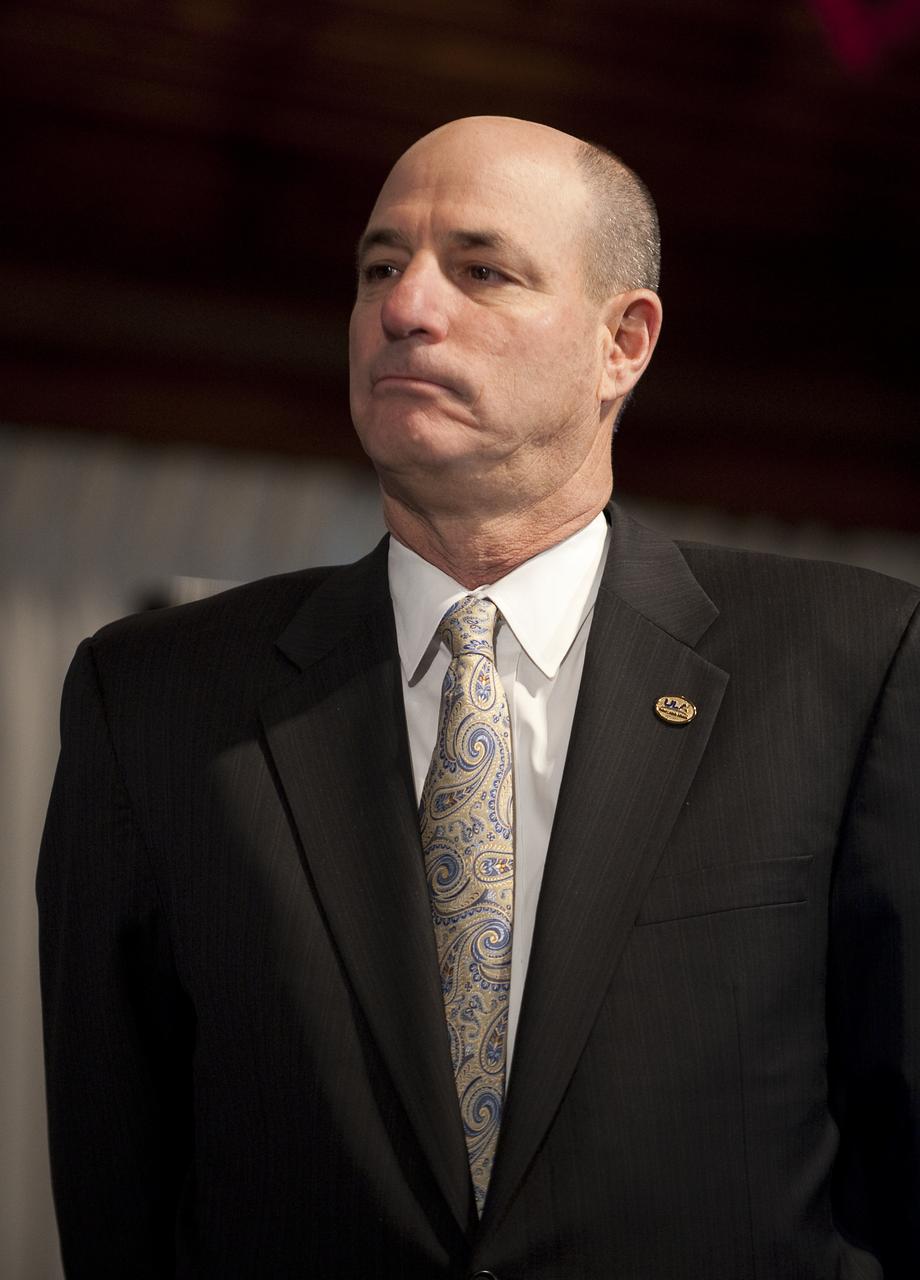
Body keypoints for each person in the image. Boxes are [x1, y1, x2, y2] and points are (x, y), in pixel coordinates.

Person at [37, 116, 919, 1279]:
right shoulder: (152, 694)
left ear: (623, 342)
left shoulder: (849, 659)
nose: (405, 306)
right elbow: (120, 1182)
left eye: (480, 268)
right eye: (377, 267)